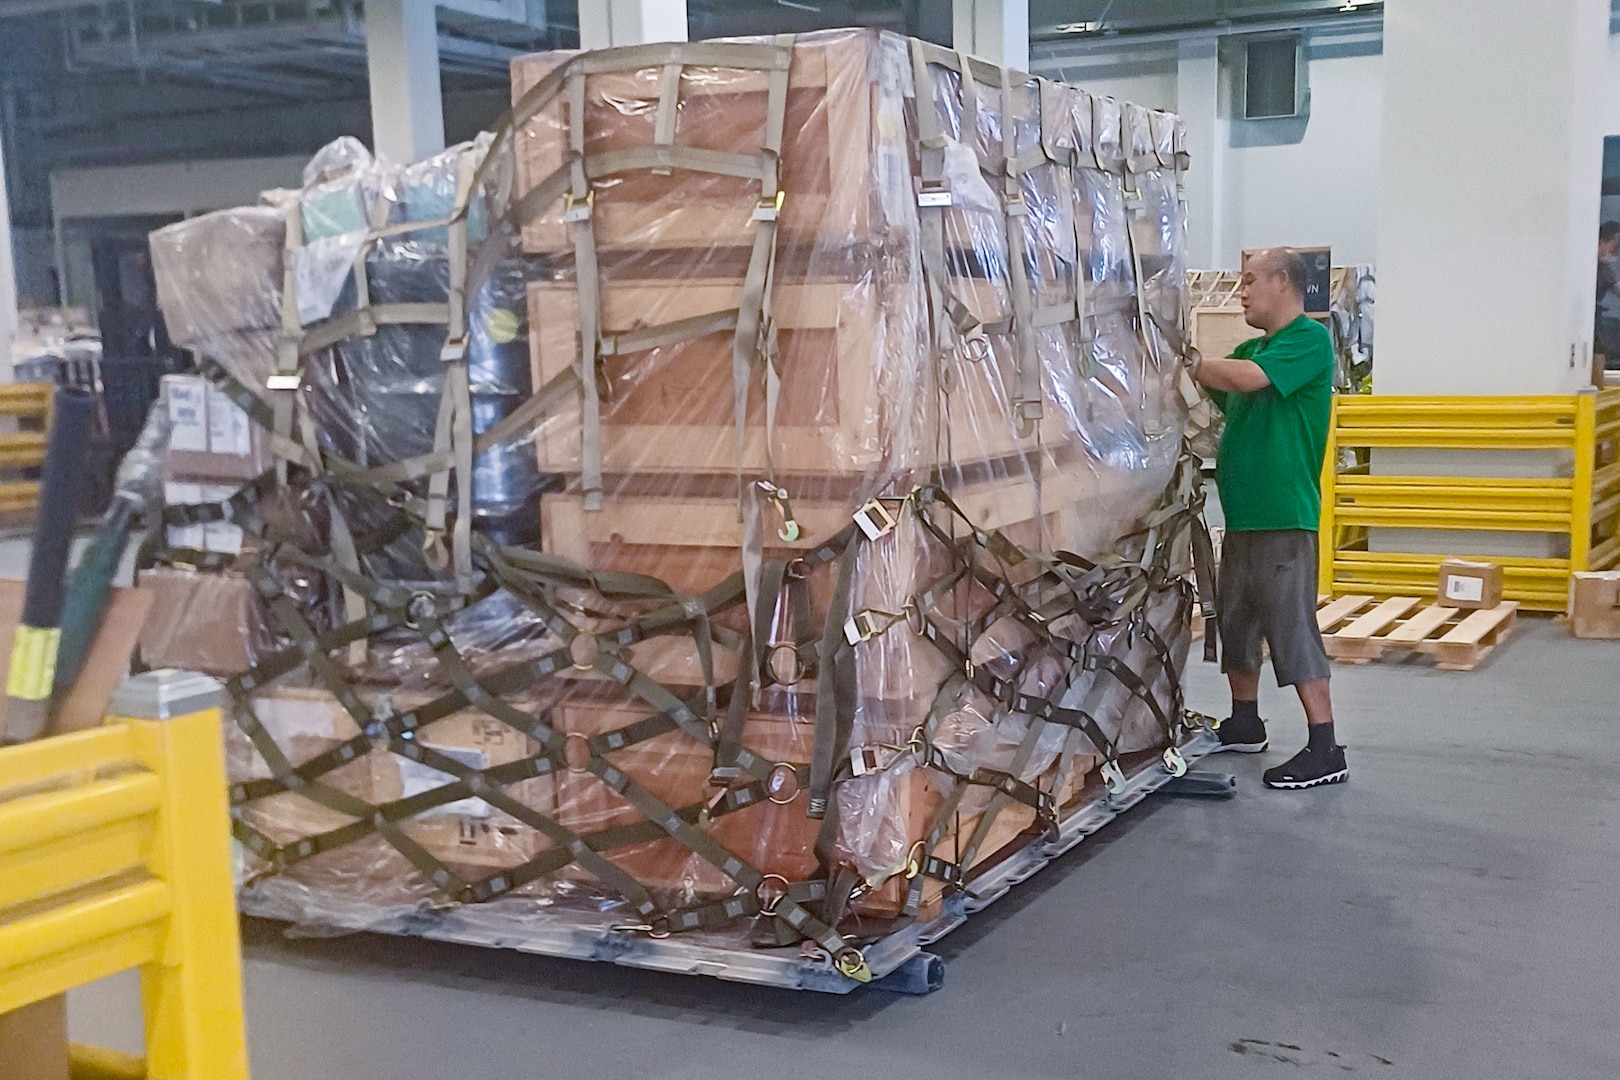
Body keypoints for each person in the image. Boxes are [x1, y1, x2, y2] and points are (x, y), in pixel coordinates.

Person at [1193, 248, 1345, 790]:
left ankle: (1325, 747)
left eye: (1250, 280)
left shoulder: (1308, 339)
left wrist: (1185, 360)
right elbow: (1219, 385)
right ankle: (1245, 721)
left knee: (1291, 627)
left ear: (1283, 281)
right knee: (1238, 623)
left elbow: (1249, 379)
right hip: (1243, 517)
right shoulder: (1248, 348)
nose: (1242, 292)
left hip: (1284, 516)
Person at [1595, 222, 1620, 370]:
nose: (1615, 252)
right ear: (1601, 242)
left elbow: (1617, 287)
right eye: (1613, 246)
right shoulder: (1586, 263)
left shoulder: (1605, 268)